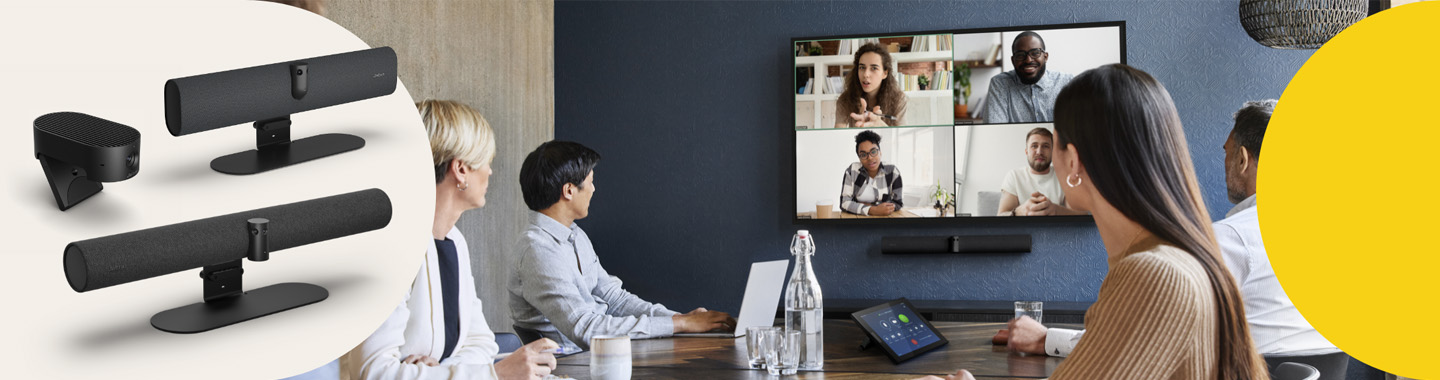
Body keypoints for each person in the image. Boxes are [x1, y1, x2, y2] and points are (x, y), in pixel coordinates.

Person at [921, 64, 1269, 380]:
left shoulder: (1153, 274)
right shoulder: (1174, 258)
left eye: (1053, 143)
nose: (1044, 155)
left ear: (1073, 162)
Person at [1000, 100, 1347, 379]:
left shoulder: (1231, 239)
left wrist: (1048, 338)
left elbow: (1144, 345)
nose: (1224, 161)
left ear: (1242, 159)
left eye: (1227, 152)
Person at [341, 100, 558, 380]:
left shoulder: (454, 241)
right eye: (486, 161)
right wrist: (493, 374)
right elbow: (374, 373)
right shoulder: (386, 247)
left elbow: (481, 343)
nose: (490, 172)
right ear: (461, 170)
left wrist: (443, 371)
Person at [509, 141, 736, 352]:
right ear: (569, 190)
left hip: (601, 356)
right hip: (570, 366)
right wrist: (680, 324)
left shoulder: (575, 235)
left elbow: (614, 299)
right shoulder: (538, 251)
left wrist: (680, 319)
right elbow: (587, 330)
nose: (594, 189)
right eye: (590, 182)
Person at [982, 31, 1074, 123]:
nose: (1028, 60)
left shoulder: (1066, 82)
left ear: (1045, 57)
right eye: (1020, 55)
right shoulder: (1000, 84)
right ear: (1013, 61)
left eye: (1035, 53)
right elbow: (995, 130)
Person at [996, 127, 1080, 216]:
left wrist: (1056, 210)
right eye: (1034, 146)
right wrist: (1019, 212)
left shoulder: (1065, 175)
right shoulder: (1014, 176)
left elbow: (1081, 214)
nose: (1039, 152)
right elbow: (1001, 215)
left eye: (1045, 146)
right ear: (1026, 152)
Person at [836, 42, 908, 128]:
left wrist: (881, 126)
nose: (866, 74)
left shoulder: (898, 99)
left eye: (874, 68)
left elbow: (902, 138)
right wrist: (859, 127)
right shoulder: (845, 100)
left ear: (885, 73)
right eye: (862, 67)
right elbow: (838, 136)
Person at [840, 130, 904, 216]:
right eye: (863, 155)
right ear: (859, 158)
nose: (869, 158)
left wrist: (865, 206)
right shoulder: (852, 171)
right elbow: (844, 203)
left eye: (873, 152)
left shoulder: (892, 172)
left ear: (880, 152)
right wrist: (873, 210)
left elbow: (898, 203)